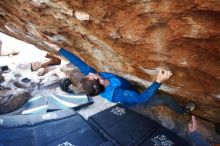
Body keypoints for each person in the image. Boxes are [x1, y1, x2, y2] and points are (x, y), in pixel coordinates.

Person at [56, 47, 195, 114]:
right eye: (92, 75)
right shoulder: (117, 93)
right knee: (165, 99)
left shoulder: (93, 78)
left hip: (129, 90)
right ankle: (183, 111)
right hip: (135, 102)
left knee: (136, 92)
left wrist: (60, 50)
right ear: (101, 81)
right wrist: (158, 80)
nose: (91, 72)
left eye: (90, 74)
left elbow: (78, 62)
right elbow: (141, 98)